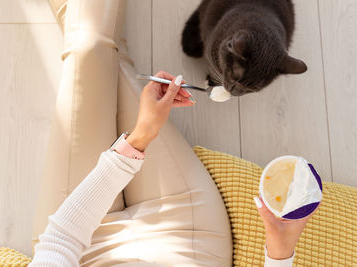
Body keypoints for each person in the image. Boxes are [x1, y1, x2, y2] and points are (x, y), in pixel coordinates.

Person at [30, 72, 314, 267]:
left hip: (85, 250)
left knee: (92, 53)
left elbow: (62, 238)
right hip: (189, 243)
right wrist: (280, 251)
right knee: (105, 58)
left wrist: (142, 135)